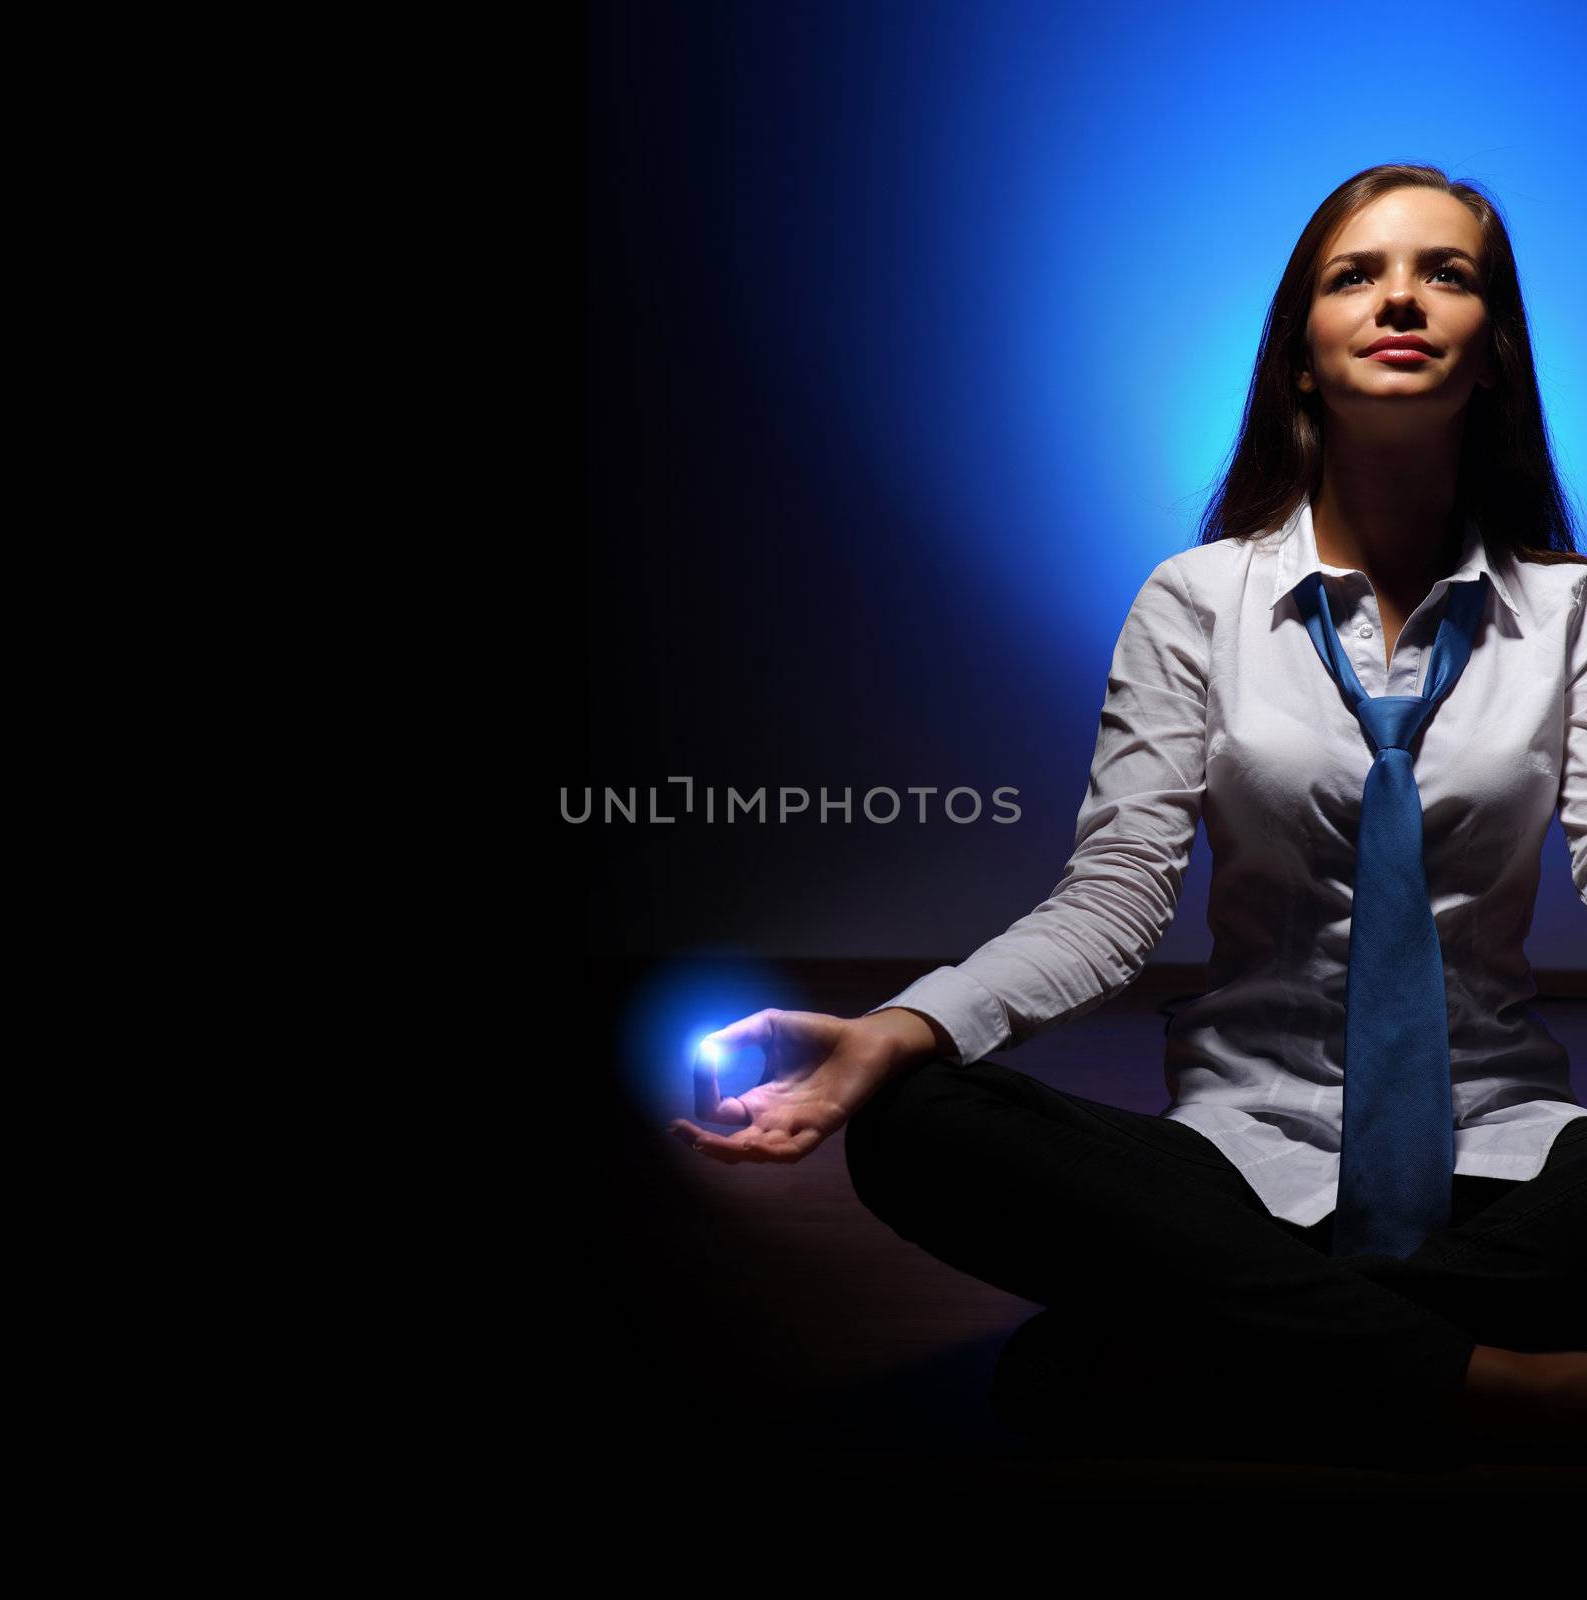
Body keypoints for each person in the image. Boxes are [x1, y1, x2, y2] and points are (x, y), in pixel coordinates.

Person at [668, 162, 1587, 1468]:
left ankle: (1211, 1356)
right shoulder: (1194, 603)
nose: (1403, 299)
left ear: (1493, 354)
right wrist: (896, 1028)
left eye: (1448, 276)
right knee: (918, 1123)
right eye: (1356, 275)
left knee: (1085, 1378)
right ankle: (1504, 1388)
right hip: (1238, 1164)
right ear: (1301, 361)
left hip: (1513, 1160)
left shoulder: (1571, 613)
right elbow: (1113, 900)